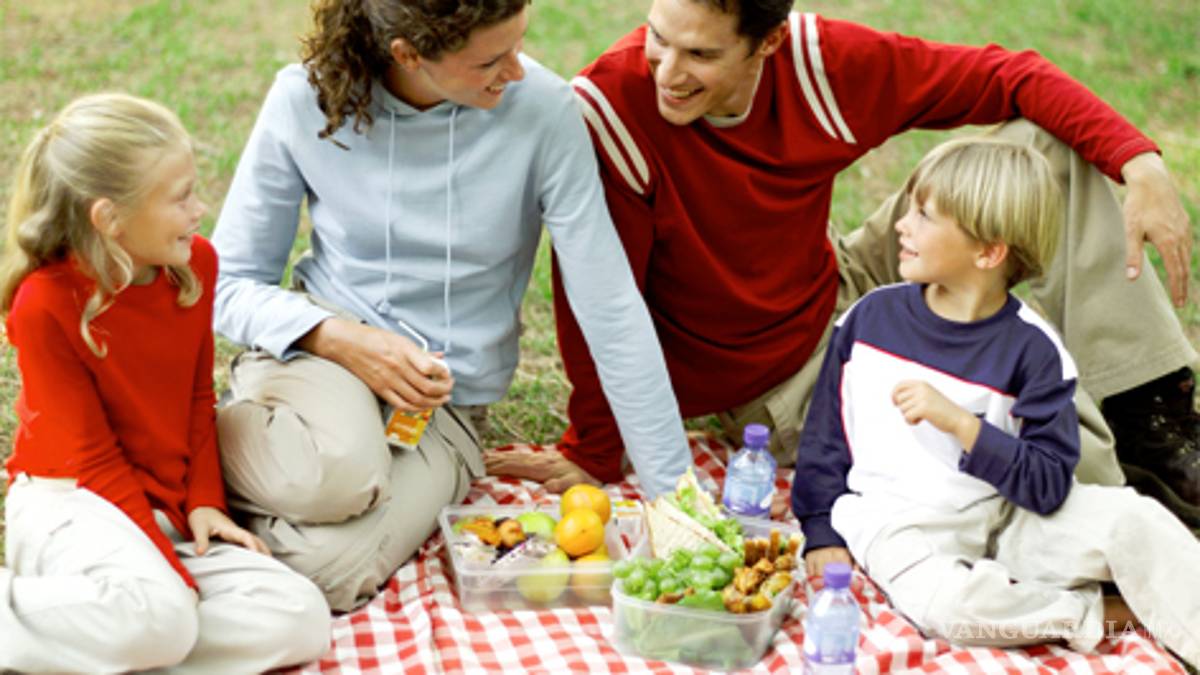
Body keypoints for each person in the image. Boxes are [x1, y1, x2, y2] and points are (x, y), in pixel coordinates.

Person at [488, 0, 1199, 524]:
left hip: (840, 280)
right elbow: (600, 301)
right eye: (657, 38)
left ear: (767, 43)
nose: (667, 72)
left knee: (1048, 145)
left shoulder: (818, 65)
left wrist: (1139, 163)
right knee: (998, 417)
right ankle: (1110, 502)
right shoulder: (613, 109)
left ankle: (1151, 415)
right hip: (780, 380)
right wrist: (594, 447)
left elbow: (1008, 75)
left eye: (700, 55)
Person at [211, 0, 690, 611]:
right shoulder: (304, 101)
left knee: (329, 575)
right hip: (324, 357)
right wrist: (337, 337)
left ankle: (230, 507)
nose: (516, 70)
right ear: (408, 54)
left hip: (444, 407)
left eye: (518, 45)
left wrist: (676, 500)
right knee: (339, 474)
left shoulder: (544, 112)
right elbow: (227, 284)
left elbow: (610, 306)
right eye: (490, 61)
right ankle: (191, 448)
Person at [790, 138, 1198, 665]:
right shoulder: (869, 322)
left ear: (988, 253)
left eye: (924, 215)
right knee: (952, 608)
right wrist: (820, 530)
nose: (901, 226)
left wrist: (965, 426)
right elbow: (824, 440)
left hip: (1010, 516)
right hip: (898, 526)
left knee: (1134, 520)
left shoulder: (1035, 351)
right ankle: (1102, 614)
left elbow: (1049, 485)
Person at [0, 93, 330, 673]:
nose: (200, 209)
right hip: (74, 499)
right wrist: (174, 578)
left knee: (299, 617)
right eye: (181, 198)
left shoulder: (194, 266)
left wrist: (204, 502)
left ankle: (104, 638)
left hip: (162, 505)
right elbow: (92, 458)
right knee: (162, 615)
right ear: (110, 218)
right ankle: (103, 624)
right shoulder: (45, 304)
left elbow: (198, 400)